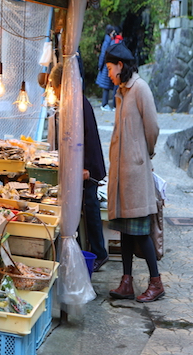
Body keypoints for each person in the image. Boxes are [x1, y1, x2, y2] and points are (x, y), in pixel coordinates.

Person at [105, 42, 163, 302]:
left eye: (109, 68)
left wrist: (144, 154)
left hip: (136, 176)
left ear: (121, 65)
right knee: (126, 231)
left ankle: (156, 282)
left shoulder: (139, 89)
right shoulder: (121, 92)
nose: (108, 73)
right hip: (122, 176)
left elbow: (153, 128)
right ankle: (126, 281)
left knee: (141, 231)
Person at [49, 63, 109, 272]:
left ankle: (99, 253)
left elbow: (86, 140)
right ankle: (91, 250)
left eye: (54, 87)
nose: (54, 93)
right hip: (86, 166)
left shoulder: (77, 104)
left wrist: (85, 168)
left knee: (90, 208)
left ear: (61, 85)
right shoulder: (75, 102)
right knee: (86, 208)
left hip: (88, 168)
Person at [96, 25, 116, 111]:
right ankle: (104, 105)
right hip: (106, 66)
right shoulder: (107, 42)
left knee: (106, 86)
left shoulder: (108, 41)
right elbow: (103, 55)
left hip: (106, 66)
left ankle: (105, 104)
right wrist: (100, 66)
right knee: (106, 86)